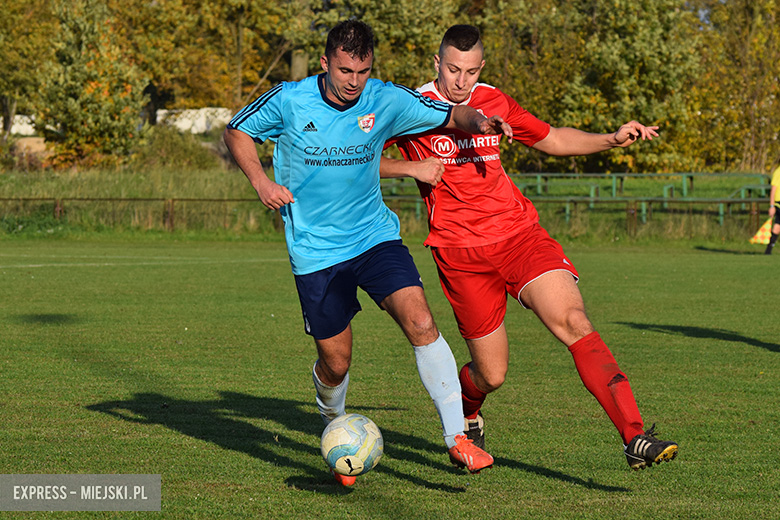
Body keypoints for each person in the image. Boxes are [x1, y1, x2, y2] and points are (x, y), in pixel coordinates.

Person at [223, 20, 513, 485]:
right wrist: (261, 182)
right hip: (317, 251)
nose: (354, 82)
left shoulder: (384, 97)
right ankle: (334, 425)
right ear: (325, 63)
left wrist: (478, 121)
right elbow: (237, 131)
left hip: (374, 237)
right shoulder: (291, 99)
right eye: (344, 71)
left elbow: (450, 113)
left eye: (362, 71)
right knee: (336, 362)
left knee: (421, 321)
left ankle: (457, 437)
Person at [381, 24, 678, 470]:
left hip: (520, 237)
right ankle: (469, 409)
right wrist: (411, 169)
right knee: (491, 374)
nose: (461, 81)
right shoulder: (412, 107)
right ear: (436, 63)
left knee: (574, 320)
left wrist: (610, 139)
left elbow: (551, 138)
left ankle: (634, 436)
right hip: (461, 254)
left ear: (482, 67)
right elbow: (359, 156)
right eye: (453, 69)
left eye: (470, 71)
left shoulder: (495, 100)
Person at [765, 163, 780, 254]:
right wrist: (772, 206)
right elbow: (773, 190)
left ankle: (768, 251)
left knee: (777, 227)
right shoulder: (778, 172)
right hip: (779, 202)